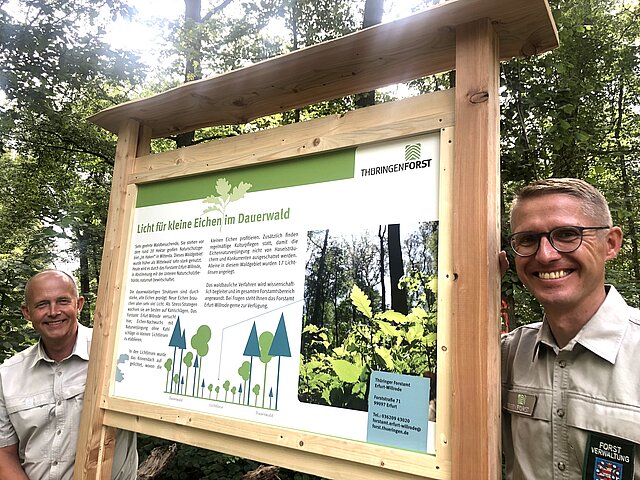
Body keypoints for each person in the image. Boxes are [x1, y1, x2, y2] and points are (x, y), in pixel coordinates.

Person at [501, 178, 640, 479]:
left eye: (567, 235)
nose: (545, 255)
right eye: (527, 240)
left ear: (611, 243)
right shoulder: (507, 355)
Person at [0, 270, 138, 479]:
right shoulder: (7, 375)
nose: (54, 311)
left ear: (79, 304)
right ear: (27, 312)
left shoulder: (118, 354)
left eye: (63, 301)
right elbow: (4, 453)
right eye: (42, 304)